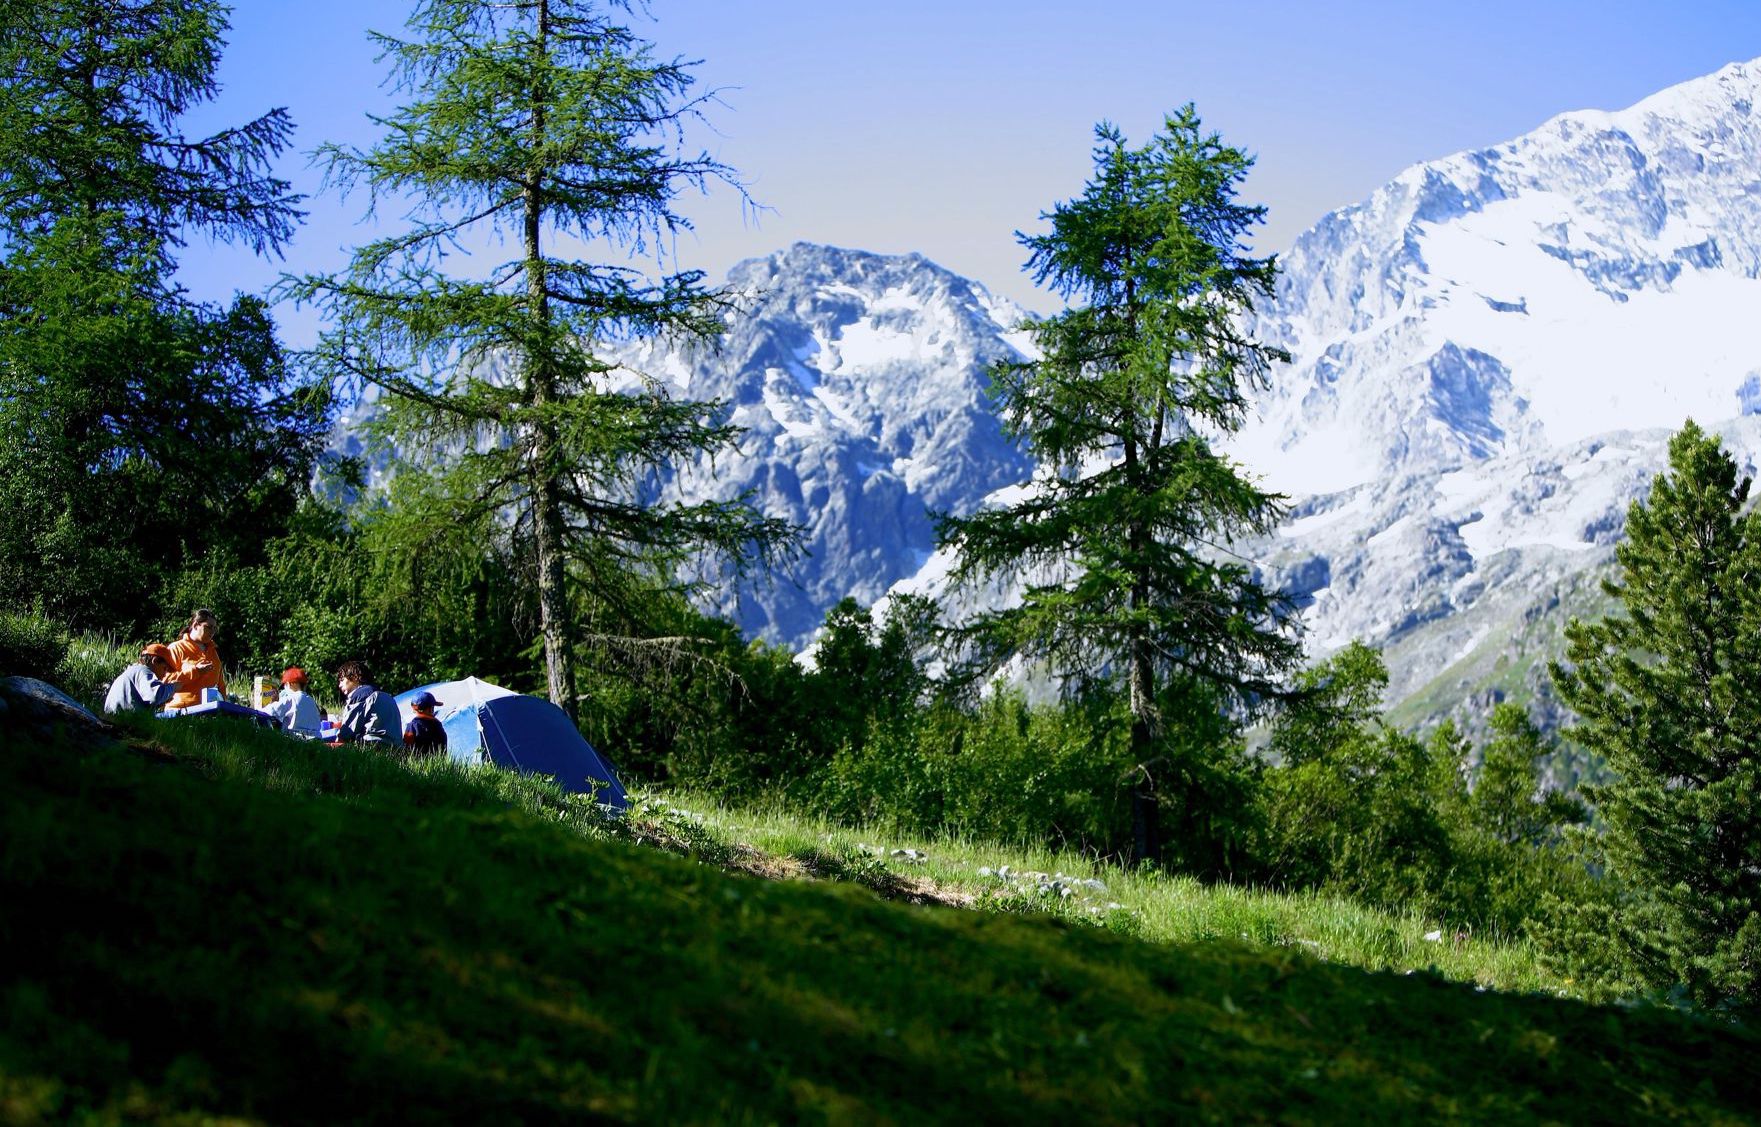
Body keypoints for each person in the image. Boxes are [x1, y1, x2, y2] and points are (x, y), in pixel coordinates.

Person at [165, 608, 225, 710]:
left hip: (210, 711)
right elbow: (166, 681)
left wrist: (224, 705)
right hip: (181, 710)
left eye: (215, 628)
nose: (212, 632)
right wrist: (195, 671)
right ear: (196, 625)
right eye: (209, 627)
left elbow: (220, 685)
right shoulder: (176, 648)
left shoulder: (213, 651)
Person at [334, 660, 400, 746]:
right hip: (395, 746)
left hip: (374, 745)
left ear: (354, 677)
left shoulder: (360, 695)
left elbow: (346, 733)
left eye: (342, 680)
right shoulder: (385, 695)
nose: (339, 685)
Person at [103, 644, 183, 714]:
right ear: (154, 661)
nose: (165, 674)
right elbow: (154, 696)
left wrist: (164, 699)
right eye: (164, 668)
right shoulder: (143, 671)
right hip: (123, 724)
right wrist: (174, 687)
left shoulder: (133, 671)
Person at [264, 666, 321, 739]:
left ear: (291, 684)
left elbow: (270, 711)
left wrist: (271, 703)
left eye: (285, 685)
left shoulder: (291, 698)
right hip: (316, 739)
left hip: (299, 739)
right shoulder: (311, 700)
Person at [402, 690, 449, 759]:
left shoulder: (412, 726)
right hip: (438, 765)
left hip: (417, 766)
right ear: (430, 709)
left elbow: (406, 749)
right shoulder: (438, 726)